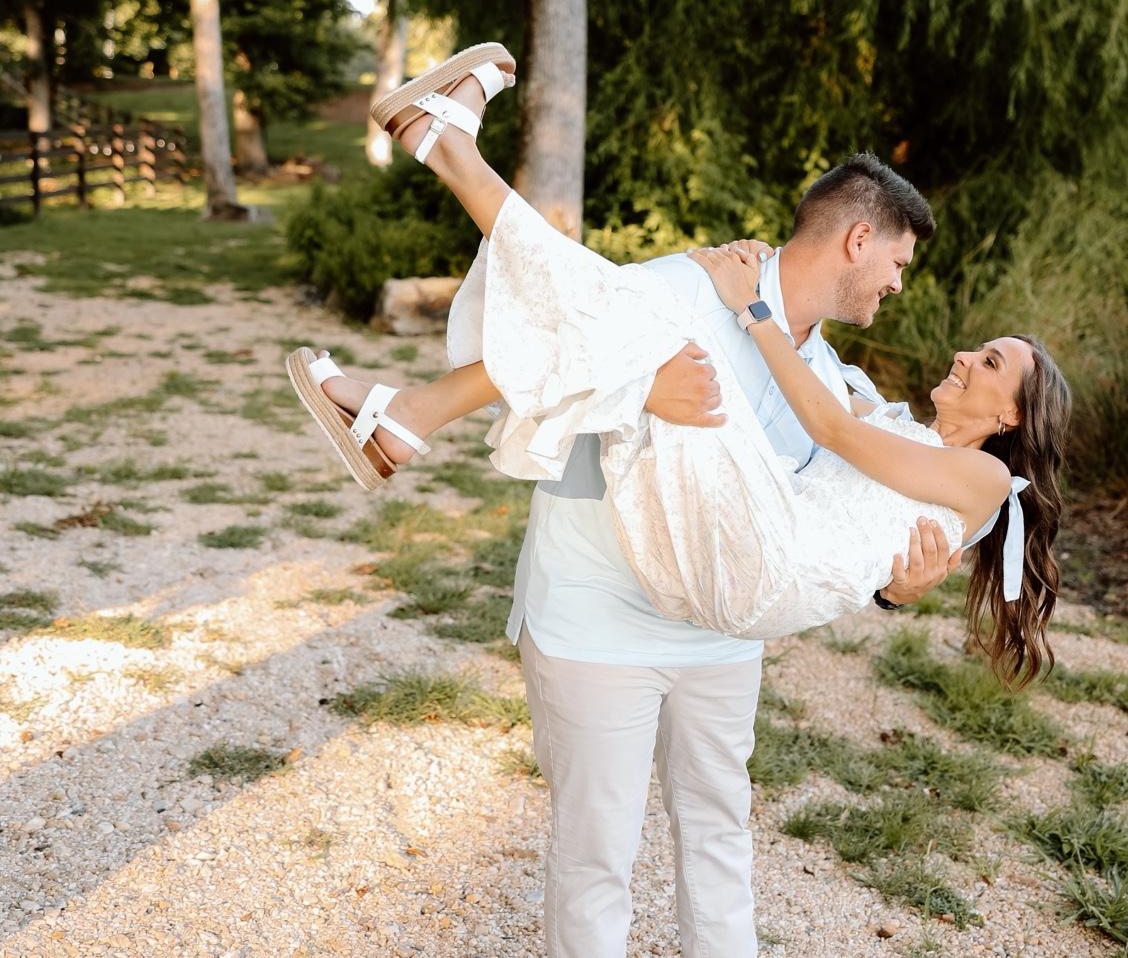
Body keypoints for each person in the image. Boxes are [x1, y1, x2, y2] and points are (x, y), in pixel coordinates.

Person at [286, 46, 1070, 955]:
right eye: (897, 260)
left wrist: (898, 590)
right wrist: (641, 390)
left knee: (719, 835)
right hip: (600, 624)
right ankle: (437, 202)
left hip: (722, 631)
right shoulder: (683, 290)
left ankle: (422, 320)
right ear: (859, 240)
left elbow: (856, 475)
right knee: (596, 857)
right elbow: (559, 358)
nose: (900, 283)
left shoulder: (826, 372)